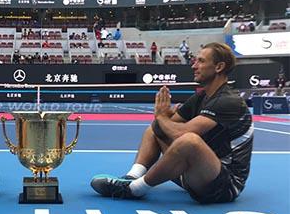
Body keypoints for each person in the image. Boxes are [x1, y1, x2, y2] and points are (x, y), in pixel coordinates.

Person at [90, 42, 253, 204]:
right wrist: (164, 118)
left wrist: (162, 116)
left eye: (201, 61)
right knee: (155, 129)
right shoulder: (202, 97)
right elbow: (164, 127)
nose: (193, 66)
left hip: (224, 186)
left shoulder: (228, 101)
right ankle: (131, 177)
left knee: (189, 141)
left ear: (219, 67)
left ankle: (133, 189)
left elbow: (179, 134)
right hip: (198, 175)